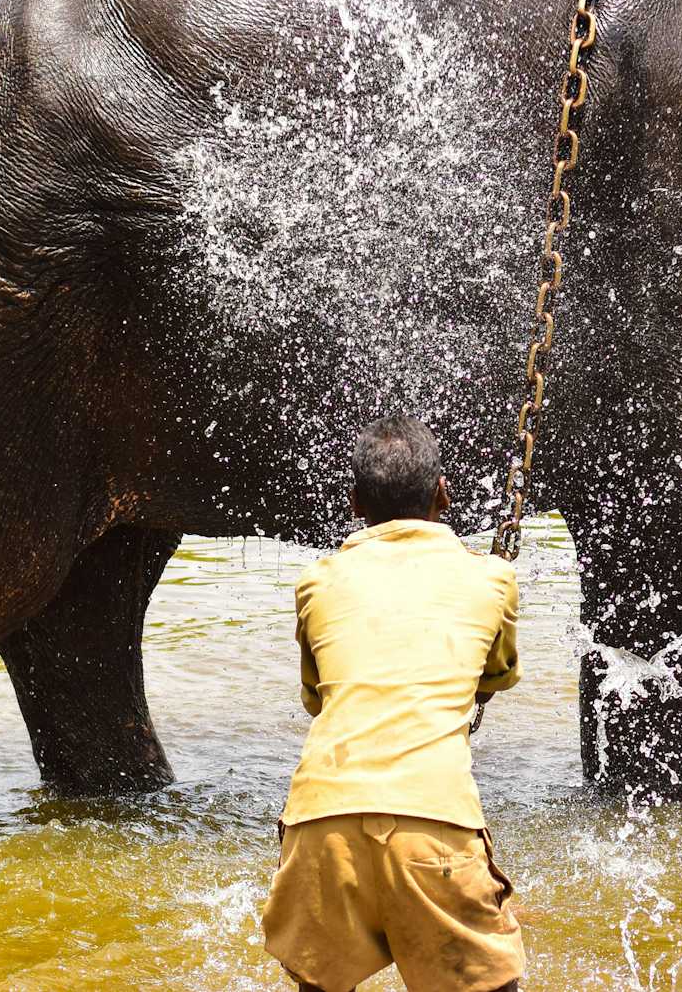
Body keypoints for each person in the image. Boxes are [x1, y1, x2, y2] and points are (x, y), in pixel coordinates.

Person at [262, 416, 525, 992]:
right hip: (435, 824)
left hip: (318, 827)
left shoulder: (317, 580)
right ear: (443, 494)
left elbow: (318, 699)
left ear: (354, 503)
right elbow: (498, 675)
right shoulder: (492, 579)